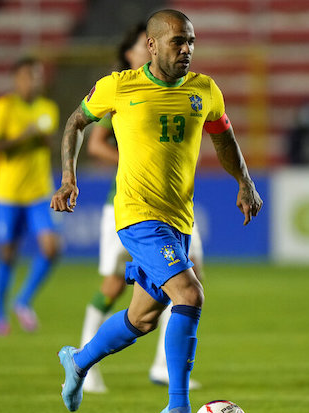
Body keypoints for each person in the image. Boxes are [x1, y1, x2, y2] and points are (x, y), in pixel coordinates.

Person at [50, 9, 262, 413]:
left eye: (191, 42)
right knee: (191, 294)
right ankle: (177, 412)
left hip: (178, 219)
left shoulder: (205, 91)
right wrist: (68, 178)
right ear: (152, 44)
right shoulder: (119, 86)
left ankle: (79, 360)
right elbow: (74, 123)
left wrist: (244, 180)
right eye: (177, 42)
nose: (186, 50)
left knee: (142, 318)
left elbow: (223, 138)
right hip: (137, 215)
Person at [80, 22, 203, 393]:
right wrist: (133, 162)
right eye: (137, 47)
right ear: (141, 51)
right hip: (126, 208)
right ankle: (87, 360)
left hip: (174, 211)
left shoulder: (179, 90)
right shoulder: (121, 90)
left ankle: (163, 365)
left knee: (180, 285)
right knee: (115, 285)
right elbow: (94, 142)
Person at [0, 57, 60, 336]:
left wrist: (41, 138)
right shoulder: (3, 108)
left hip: (39, 191)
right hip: (7, 193)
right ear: (17, 79)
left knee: (52, 249)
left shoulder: (48, 109)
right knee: (7, 253)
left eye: (38, 76)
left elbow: (49, 142)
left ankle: (22, 299)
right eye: (29, 76)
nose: (35, 82)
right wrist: (22, 137)